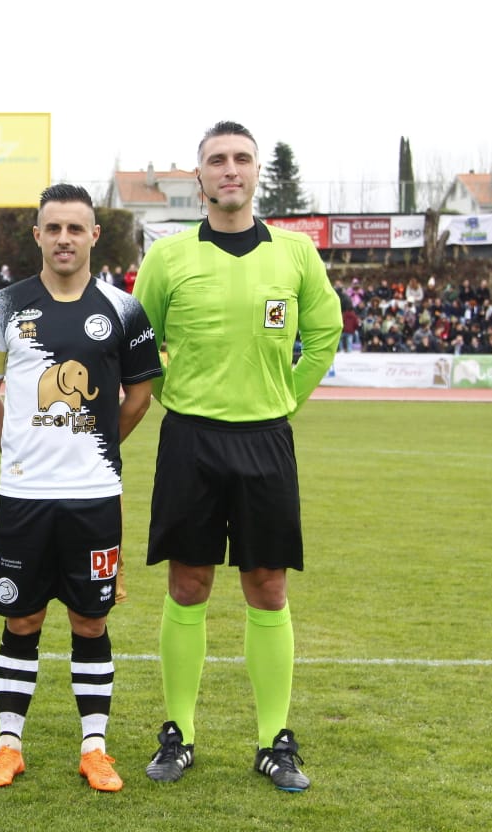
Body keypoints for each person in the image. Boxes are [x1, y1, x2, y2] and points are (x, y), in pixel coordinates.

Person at [133, 121, 341, 792]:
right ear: (198, 177)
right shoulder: (168, 258)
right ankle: (180, 734)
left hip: (266, 438)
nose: (230, 169)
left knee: (267, 586)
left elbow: (326, 329)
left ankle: (273, 740)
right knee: (187, 584)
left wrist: (287, 399)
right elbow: (141, 341)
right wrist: (174, 395)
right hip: (190, 438)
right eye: (217, 160)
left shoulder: (295, 254)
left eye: (242, 159)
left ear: (256, 174)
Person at [0, 184, 161, 792]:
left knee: (90, 620)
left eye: (75, 229)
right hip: (24, 496)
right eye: (53, 228)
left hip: (95, 495)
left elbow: (139, 394)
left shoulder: (124, 310)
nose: (64, 239)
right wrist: (16, 449)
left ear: (93, 235)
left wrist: (100, 446)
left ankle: (95, 749)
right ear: (38, 235)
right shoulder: (3, 306)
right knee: (21, 619)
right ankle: (8, 746)